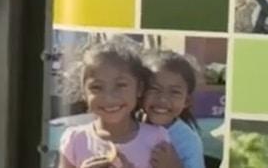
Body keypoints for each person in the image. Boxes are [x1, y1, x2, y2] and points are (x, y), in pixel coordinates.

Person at [57, 39, 180, 168]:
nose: (109, 98)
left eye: (121, 85)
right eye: (97, 87)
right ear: (84, 93)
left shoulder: (156, 139)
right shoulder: (75, 140)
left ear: (139, 89)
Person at [142, 50, 206, 168]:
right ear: (140, 91)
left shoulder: (188, 141)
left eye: (174, 92)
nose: (163, 99)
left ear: (186, 101)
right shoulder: (129, 125)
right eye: (154, 88)